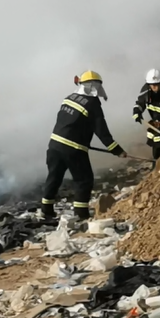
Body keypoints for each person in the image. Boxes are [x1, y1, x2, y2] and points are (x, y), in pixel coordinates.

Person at [41, 70, 127, 220]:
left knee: (54, 177)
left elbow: (68, 123)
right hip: (74, 149)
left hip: (54, 145)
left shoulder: (69, 98)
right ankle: (81, 215)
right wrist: (117, 150)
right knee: (83, 180)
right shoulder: (92, 104)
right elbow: (102, 131)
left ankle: (46, 211)